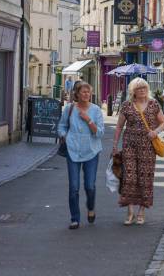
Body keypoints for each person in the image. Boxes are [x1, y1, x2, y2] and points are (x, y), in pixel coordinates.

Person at [113, 78, 164, 225]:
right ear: (133, 91)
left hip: (148, 148)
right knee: (129, 177)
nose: (142, 90)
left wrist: (155, 132)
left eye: (144, 87)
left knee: (145, 179)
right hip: (129, 145)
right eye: (139, 88)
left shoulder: (153, 104)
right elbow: (119, 127)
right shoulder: (126, 106)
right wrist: (114, 145)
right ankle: (130, 212)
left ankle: (141, 212)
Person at [57, 81, 105, 230]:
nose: (86, 94)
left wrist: (88, 120)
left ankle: (91, 208)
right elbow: (62, 125)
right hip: (73, 150)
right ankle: (75, 218)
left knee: (89, 186)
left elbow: (100, 133)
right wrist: (64, 135)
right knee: (74, 187)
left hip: (91, 151)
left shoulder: (96, 110)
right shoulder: (69, 108)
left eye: (88, 92)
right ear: (77, 94)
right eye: (83, 92)